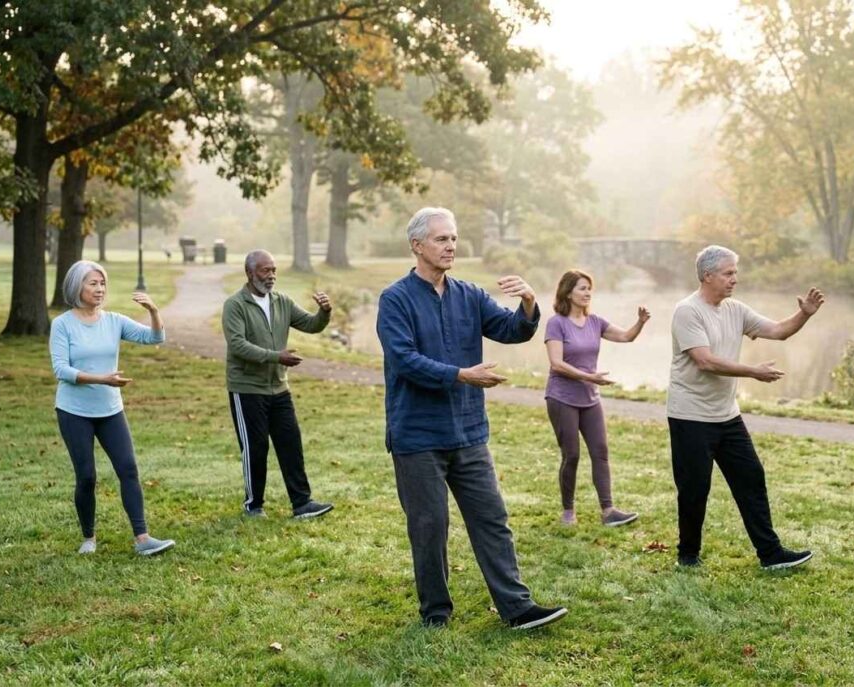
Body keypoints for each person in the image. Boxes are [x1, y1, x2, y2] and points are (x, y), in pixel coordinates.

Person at [377, 207, 568, 631]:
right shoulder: (395, 299)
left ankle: (517, 608)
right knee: (430, 527)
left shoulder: (469, 294)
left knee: (492, 518)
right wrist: (462, 374)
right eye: (441, 239)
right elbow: (404, 360)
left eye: (454, 239)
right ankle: (436, 612)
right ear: (417, 245)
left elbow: (512, 330)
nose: (450, 246)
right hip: (417, 435)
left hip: (468, 432)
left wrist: (530, 303)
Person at [667, 245, 825, 571]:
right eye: (728, 273)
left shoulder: (735, 309)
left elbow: (778, 331)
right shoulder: (688, 311)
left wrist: (804, 314)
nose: (734, 279)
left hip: (727, 415)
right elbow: (705, 361)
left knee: (751, 478)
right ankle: (688, 555)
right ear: (707, 275)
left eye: (735, 272)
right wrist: (754, 371)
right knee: (695, 488)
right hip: (690, 416)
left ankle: (770, 553)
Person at [49, 260, 175, 556]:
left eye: (102, 283)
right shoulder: (62, 324)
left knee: (128, 469)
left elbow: (155, 338)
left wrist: (154, 312)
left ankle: (143, 539)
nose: (100, 289)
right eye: (92, 283)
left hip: (110, 411)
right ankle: (88, 538)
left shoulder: (114, 321)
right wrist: (102, 379)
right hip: (74, 411)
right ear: (76, 287)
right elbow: (61, 370)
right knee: (87, 476)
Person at [222, 249, 334, 520]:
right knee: (255, 447)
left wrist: (324, 312)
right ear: (250, 273)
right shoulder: (235, 305)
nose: (271, 275)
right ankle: (254, 505)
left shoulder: (281, 302)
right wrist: (277, 357)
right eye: (265, 270)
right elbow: (238, 346)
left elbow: (310, 324)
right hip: (247, 388)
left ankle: (302, 504)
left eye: (273, 270)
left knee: (290, 444)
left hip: (279, 388)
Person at [544, 269, 650, 527]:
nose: (587, 292)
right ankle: (568, 511)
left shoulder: (596, 322)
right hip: (562, 397)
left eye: (589, 288)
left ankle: (608, 511)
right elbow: (556, 364)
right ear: (568, 292)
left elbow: (625, 336)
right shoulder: (556, 323)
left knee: (600, 453)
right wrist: (589, 377)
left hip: (590, 398)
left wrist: (641, 322)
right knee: (571, 455)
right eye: (582, 288)